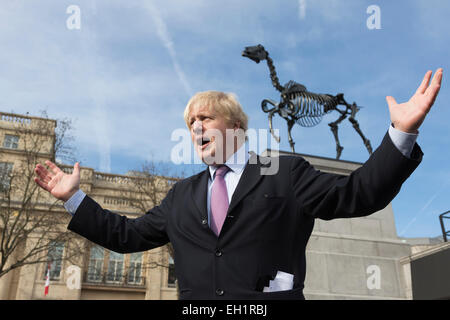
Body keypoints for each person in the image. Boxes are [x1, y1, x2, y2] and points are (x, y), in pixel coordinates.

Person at [34, 69, 443, 299]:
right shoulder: (181, 195)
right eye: (191, 122)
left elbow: (356, 195)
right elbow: (127, 235)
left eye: (206, 118)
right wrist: (74, 198)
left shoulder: (283, 171)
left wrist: (400, 135)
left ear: (236, 127)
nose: (197, 126)